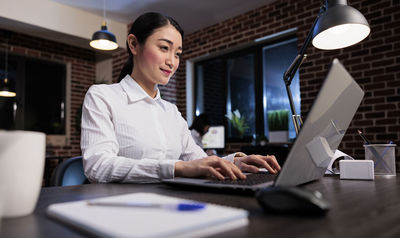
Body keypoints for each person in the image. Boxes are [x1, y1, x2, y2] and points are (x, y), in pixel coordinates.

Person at [81, 12, 280, 184]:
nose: (172, 62)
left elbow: (198, 159)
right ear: (134, 44)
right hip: (120, 209)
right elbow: (98, 166)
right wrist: (176, 168)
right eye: (164, 48)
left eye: (177, 54)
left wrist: (235, 162)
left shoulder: (171, 112)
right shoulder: (102, 96)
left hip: (171, 204)